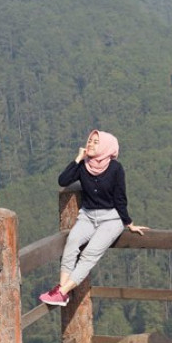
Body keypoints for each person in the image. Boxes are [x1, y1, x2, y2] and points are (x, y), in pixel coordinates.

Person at [39, 130, 147, 306]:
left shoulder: (115, 168)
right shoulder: (83, 165)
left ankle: (62, 291)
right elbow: (63, 180)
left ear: (106, 146)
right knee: (72, 242)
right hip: (88, 216)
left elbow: (120, 198)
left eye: (95, 142)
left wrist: (129, 223)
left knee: (89, 254)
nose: (90, 144)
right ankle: (61, 289)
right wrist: (78, 158)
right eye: (90, 140)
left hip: (112, 218)